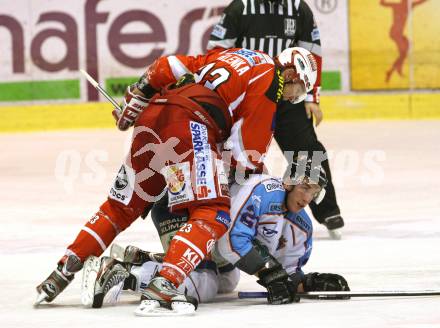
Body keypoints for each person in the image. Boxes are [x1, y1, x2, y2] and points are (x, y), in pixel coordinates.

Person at [35, 46, 318, 315]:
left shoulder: (237, 56)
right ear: (291, 73)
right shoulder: (271, 82)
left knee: (120, 207)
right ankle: (165, 287)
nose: (290, 98)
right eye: (298, 92)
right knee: (213, 212)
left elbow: (167, 66)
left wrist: (136, 99)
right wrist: (253, 184)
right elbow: (244, 156)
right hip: (190, 126)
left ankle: (60, 273)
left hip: (153, 116)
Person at [80, 154, 349, 308]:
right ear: (289, 182)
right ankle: (121, 273)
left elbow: (286, 272)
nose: (307, 198)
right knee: (202, 285)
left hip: (210, 226)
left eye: (314, 193)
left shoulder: (301, 226)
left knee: (226, 281)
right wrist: (268, 272)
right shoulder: (265, 191)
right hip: (179, 205)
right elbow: (231, 243)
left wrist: (305, 282)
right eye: (305, 187)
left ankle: (148, 261)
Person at [207, 0, 345, 238]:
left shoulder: (298, 8)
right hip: (251, 94)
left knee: (306, 150)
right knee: (238, 153)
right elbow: (217, 51)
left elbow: (312, 53)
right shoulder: (241, 7)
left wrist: (312, 95)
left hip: (289, 93)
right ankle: (222, 208)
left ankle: (326, 209)